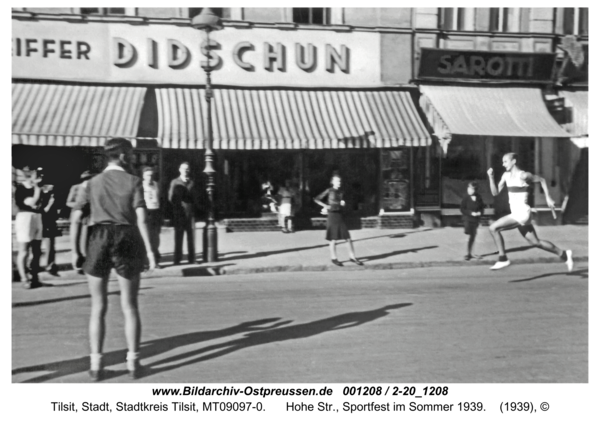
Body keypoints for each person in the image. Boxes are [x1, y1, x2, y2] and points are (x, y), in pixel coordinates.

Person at [71, 138, 156, 381]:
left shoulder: (90, 183)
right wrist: (150, 251)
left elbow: (76, 217)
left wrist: (76, 251)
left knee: (98, 307)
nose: (132, 158)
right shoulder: (134, 181)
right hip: (127, 236)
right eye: (130, 154)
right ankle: (133, 363)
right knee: (130, 306)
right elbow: (142, 219)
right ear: (122, 156)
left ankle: (96, 365)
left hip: (98, 237)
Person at [487, 152, 573, 271]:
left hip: (522, 213)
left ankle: (503, 258)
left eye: (505, 161)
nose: (503, 164)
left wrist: (548, 198)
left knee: (493, 228)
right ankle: (563, 254)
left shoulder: (524, 175)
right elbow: (495, 193)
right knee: (535, 242)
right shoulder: (506, 176)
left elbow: (542, 180)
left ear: (514, 161)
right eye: (502, 162)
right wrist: (491, 177)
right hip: (516, 214)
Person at [314, 174, 363, 266]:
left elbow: (340, 204)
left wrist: (342, 204)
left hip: (339, 216)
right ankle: (334, 258)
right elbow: (316, 199)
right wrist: (326, 206)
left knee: (347, 237)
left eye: (339, 181)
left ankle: (352, 257)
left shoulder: (341, 192)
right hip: (332, 216)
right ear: (332, 182)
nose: (339, 183)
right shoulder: (329, 190)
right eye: (337, 181)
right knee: (333, 239)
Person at [14, 166, 44, 289]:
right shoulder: (20, 188)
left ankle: (35, 278)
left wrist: (37, 188)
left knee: (37, 250)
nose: (39, 177)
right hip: (24, 218)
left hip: (37, 217)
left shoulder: (39, 188)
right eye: (36, 174)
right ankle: (24, 278)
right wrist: (37, 190)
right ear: (29, 174)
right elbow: (30, 202)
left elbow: (40, 204)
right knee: (24, 250)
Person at [168, 162, 199, 265]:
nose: (185, 171)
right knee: (179, 236)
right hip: (179, 213)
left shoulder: (192, 182)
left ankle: (192, 258)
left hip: (190, 213)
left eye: (187, 169)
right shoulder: (175, 182)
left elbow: (195, 197)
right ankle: (177, 259)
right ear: (179, 170)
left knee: (191, 236)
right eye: (183, 169)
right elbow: (170, 197)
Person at [68, 170, 94, 273]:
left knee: (86, 240)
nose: (87, 180)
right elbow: (68, 202)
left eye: (89, 178)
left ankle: (85, 263)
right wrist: (80, 206)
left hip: (89, 217)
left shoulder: (93, 188)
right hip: (77, 216)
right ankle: (76, 262)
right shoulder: (75, 187)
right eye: (85, 178)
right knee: (75, 240)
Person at [39, 171, 60, 275]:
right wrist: (50, 204)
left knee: (50, 245)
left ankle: (50, 265)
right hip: (43, 221)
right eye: (51, 185)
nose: (53, 187)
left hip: (50, 222)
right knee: (45, 245)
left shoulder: (52, 194)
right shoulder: (40, 194)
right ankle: (46, 265)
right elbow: (43, 210)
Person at [460, 181, 485, 261]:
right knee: (469, 233)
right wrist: (471, 213)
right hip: (467, 219)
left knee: (473, 236)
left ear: (475, 190)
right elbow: (462, 209)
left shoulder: (479, 197)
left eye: (471, 189)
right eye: (468, 188)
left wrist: (479, 213)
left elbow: (482, 208)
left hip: (475, 220)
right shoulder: (466, 197)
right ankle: (468, 253)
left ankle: (470, 253)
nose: (469, 190)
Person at [143, 167, 162, 268]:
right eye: (147, 175)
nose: (150, 177)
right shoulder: (141, 186)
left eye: (151, 175)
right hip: (146, 212)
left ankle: (156, 260)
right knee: (146, 237)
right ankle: (146, 262)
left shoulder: (156, 184)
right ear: (144, 176)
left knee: (155, 238)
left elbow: (159, 198)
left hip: (155, 212)